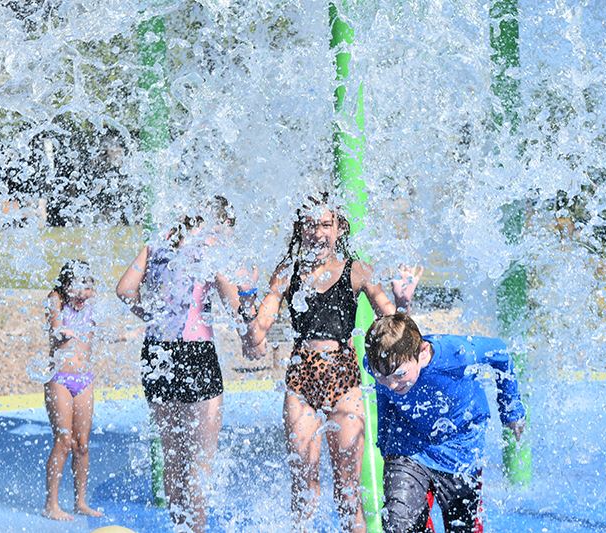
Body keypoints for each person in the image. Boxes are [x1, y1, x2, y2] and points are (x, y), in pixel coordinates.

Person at [241, 192, 420, 530]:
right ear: (300, 229)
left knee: (348, 491)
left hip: (344, 381)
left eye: (326, 224)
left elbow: (395, 325)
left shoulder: (356, 272)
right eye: (310, 224)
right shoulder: (286, 273)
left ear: (339, 229)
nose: (318, 232)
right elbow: (257, 335)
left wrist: (403, 301)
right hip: (301, 381)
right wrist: (247, 304)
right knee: (304, 488)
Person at [116, 196, 246, 531]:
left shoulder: (155, 245)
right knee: (199, 460)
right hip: (196, 354)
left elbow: (125, 289)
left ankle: (179, 528)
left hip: (157, 354)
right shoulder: (208, 248)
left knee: (172, 455)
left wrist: (150, 316)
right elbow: (235, 305)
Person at [364, 313, 526, 533]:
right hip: (408, 445)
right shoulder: (380, 363)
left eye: (400, 375)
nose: (391, 384)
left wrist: (511, 410)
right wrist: (385, 442)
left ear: (421, 354)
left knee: (463, 528)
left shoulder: (456, 354)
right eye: (382, 377)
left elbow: (500, 351)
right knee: (398, 524)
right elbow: (384, 395)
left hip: (461, 448)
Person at [43, 260, 103, 521]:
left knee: (82, 445)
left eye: (86, 290)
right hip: (59, 378)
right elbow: (55, 329)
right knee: (63, 442)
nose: (82, 296)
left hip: (84, 379)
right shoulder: (55, 298)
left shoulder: (92, 303)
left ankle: (80, 501)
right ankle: (51, 504)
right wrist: (61, 334)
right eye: (76, 289)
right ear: (66, 287)